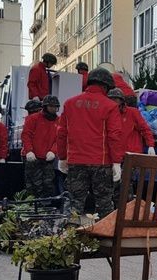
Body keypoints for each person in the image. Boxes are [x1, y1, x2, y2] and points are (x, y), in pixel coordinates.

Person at [56, 68, 123, 217]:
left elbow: (62, 133)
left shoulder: (70, 103)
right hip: (101, 162)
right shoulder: (110, 106)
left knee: (74, 203)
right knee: (104, 203)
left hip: (76, 161)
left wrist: (62, 157)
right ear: (105, 86)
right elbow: (114, 136)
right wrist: (117, 162)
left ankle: (69, 237)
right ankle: (105, 237)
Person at [23, 95, 60, 198]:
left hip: (48, 159)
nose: (53, 109)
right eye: (51, 106)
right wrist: (29, 151)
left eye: (55, 107)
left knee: (48, 184)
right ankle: (31, 206)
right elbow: (26, 135)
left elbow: (60, 139)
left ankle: (46, 206)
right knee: (33, 184)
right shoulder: (33, 119)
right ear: (45, 106)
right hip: (33, 157)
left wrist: (53, 151)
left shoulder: (59, 121)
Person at [107, 89, 156, 155]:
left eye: (115, 99)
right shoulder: (108, 114)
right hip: (115, 153)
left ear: (122, 100)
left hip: (132, 154)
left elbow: (145, 129)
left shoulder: (132, 112)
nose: (113, 101)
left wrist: (151, 145)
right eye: (111, 99)